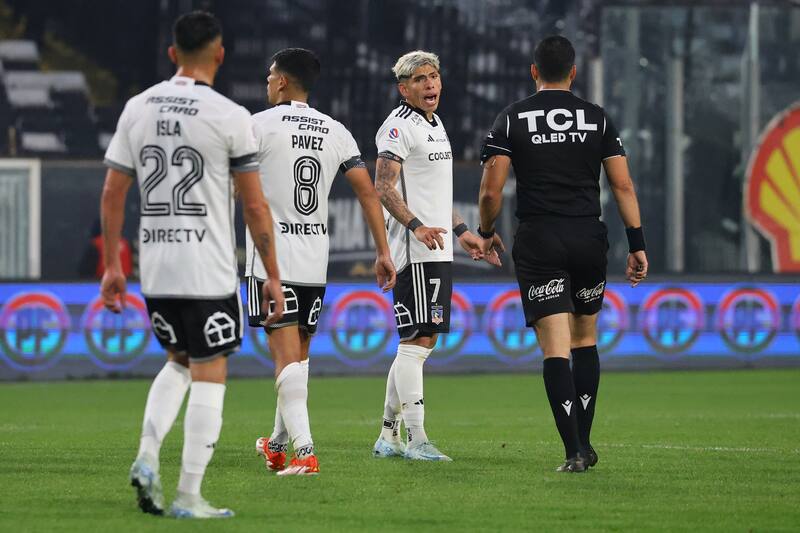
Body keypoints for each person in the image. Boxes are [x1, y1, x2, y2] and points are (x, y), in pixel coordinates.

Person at [101, 11, 284, 517]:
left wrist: (113, 265)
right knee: (209, 371)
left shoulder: (138, 107)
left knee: (178, 360)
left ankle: (147, 454)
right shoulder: (229, 115)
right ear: (220, 55)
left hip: (156, 266)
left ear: (172, 53)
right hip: (207, 267)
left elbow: (113, 191)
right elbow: (254, 206)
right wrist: (271, 274)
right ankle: (188, 494)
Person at [477, 35, 648, 473]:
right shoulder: (597, 118)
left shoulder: (512, 118)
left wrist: (486, 232)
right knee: (585, 339)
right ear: (573, 72)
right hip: (587, 236)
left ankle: (573, 452)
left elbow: (491, 191)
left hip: (540, 239)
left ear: (533, 71)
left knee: (555, 349)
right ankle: (586, 444)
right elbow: (623, 185)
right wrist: (637, 244)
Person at [245, 48, 397, 476]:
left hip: (272, 259)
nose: (267, 82)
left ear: (282, 81)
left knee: (284, 360)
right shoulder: (336, 131)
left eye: (270, 75)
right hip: (314, 261)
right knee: (298, 358)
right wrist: (383, 251)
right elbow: (368, 193)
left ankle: (305, 453)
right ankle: (277, 444)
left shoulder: (256, 126)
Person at [372, 50, 502, 462]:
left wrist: (462, 232)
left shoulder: (435, 123)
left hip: (436, 246)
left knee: (418, 341)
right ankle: (416, 438)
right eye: (420, 79)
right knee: (417, 340)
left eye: (434, 76)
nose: (430, 84)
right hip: (414, 248)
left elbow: (435, 193)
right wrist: (416, 227)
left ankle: (388, 435)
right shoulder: (397, 127)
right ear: (403, 88)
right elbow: (383, 187)